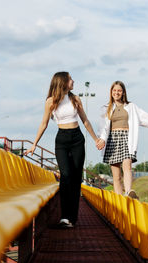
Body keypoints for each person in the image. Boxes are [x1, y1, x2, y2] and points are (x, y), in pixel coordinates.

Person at [25, 71, 103, 228]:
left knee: (75, 178)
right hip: (61, 139)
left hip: (77, 139)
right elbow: (44, 123)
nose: (73, 81)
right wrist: (34, 144)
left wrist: (96, 139)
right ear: (63, 82)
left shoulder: (75, 99)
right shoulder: (50, 101)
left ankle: (71, 218)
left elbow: (85, 121)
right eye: (70, 79)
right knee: (65, 175)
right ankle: (64, 216)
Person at [98, 81, 148, 199]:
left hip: (127, 139)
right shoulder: (105, 108)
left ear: (123, 92)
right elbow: (102, 127)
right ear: (111, 92)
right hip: (112, 141)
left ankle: (129, 193)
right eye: (114, 90)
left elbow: (147, 118)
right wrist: (102, 139)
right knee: (116, 175)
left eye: (119, 90)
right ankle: (119, 200)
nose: (116, 93)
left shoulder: (131, 107)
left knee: (127, 166)